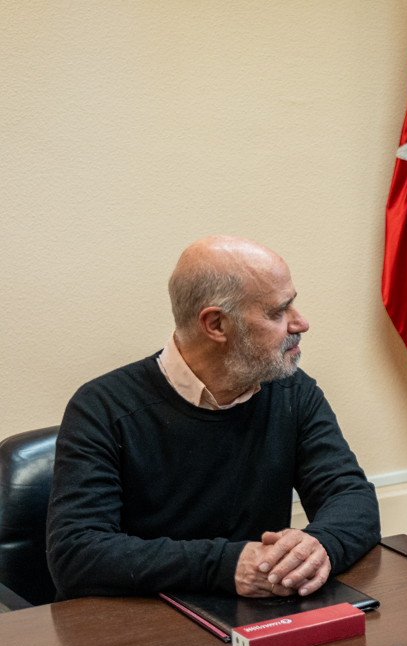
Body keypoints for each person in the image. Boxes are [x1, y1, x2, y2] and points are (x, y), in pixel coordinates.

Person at [47, 236, 380, 599]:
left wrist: (320, 546)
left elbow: (350, 496)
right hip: (142, 630)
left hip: (258, 619)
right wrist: (226, 564)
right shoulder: (103, 407)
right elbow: (77, 554)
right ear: (217, 325)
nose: (300, 323)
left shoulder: (292, 391)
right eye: (277, 312)